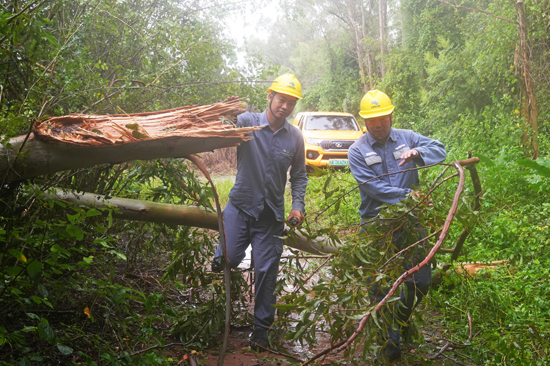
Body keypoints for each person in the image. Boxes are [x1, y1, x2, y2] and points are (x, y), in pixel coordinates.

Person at [348, 90, 446, 363]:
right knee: (379, 287)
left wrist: (418, 152)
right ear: (364, 122)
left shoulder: (407, 136)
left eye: (382, 118)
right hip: (376, 226)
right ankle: (388, 339)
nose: (377, 125)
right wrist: (408, 198)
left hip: (411, 223)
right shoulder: (357, 151)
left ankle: (399, 323)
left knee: (421, 280)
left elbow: (440, 149)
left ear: (391, 115)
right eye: (371, 120)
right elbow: (373, 187)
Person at [212, 74, 308, 351]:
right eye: (281, 100)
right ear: (270, 97)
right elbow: (220, 128)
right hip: (241, 206)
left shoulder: (295, 137)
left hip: (271, 216)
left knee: (268, 271)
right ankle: (223, 256)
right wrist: (226, 112)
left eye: (291, 103)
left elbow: (299, 176)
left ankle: (261, 330)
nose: (285, 107)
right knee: (227, 258)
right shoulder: (246, 123)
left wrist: (297, 206)